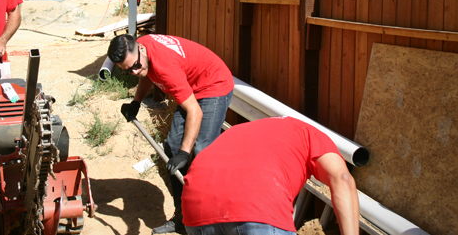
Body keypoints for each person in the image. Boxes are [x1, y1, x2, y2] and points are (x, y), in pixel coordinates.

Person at [108, 34, 234, 234]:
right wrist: (136, 102)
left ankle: (212, 223)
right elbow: (146, 74)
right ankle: (182, 220)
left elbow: (195, 111)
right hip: (191, 86)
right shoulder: (143, 53)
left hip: (213, 85)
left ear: (140, 48)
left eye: (134, 66)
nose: (134, 72)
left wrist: (185, 153)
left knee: (202, 152)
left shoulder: (166, 68)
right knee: (171, 148)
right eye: (127, 71)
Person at [181, 116, 360, 235]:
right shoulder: (311, 134)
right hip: (254, 209)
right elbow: (343, 179)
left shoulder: (242, 130)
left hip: (196, 208)